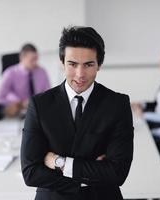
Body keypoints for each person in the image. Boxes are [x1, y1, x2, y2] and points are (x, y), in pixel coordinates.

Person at [21, 26, 134, 200]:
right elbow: (31, 173)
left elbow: (117, 173)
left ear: (99, 65)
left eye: (88, 65)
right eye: (72, 64)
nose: (80, 74)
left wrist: (60, 162)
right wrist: (92, 174)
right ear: (62, 63)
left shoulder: (117, 104)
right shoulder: (40, 104)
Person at [0, 43, 50, 116]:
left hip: (39, 111)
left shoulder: (42, 72)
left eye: (36, 59)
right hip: (18, 112)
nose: (35, 62)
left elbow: (48, 94)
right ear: (22, 58)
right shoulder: (10, 73)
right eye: (32, 60)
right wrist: (19, 103)